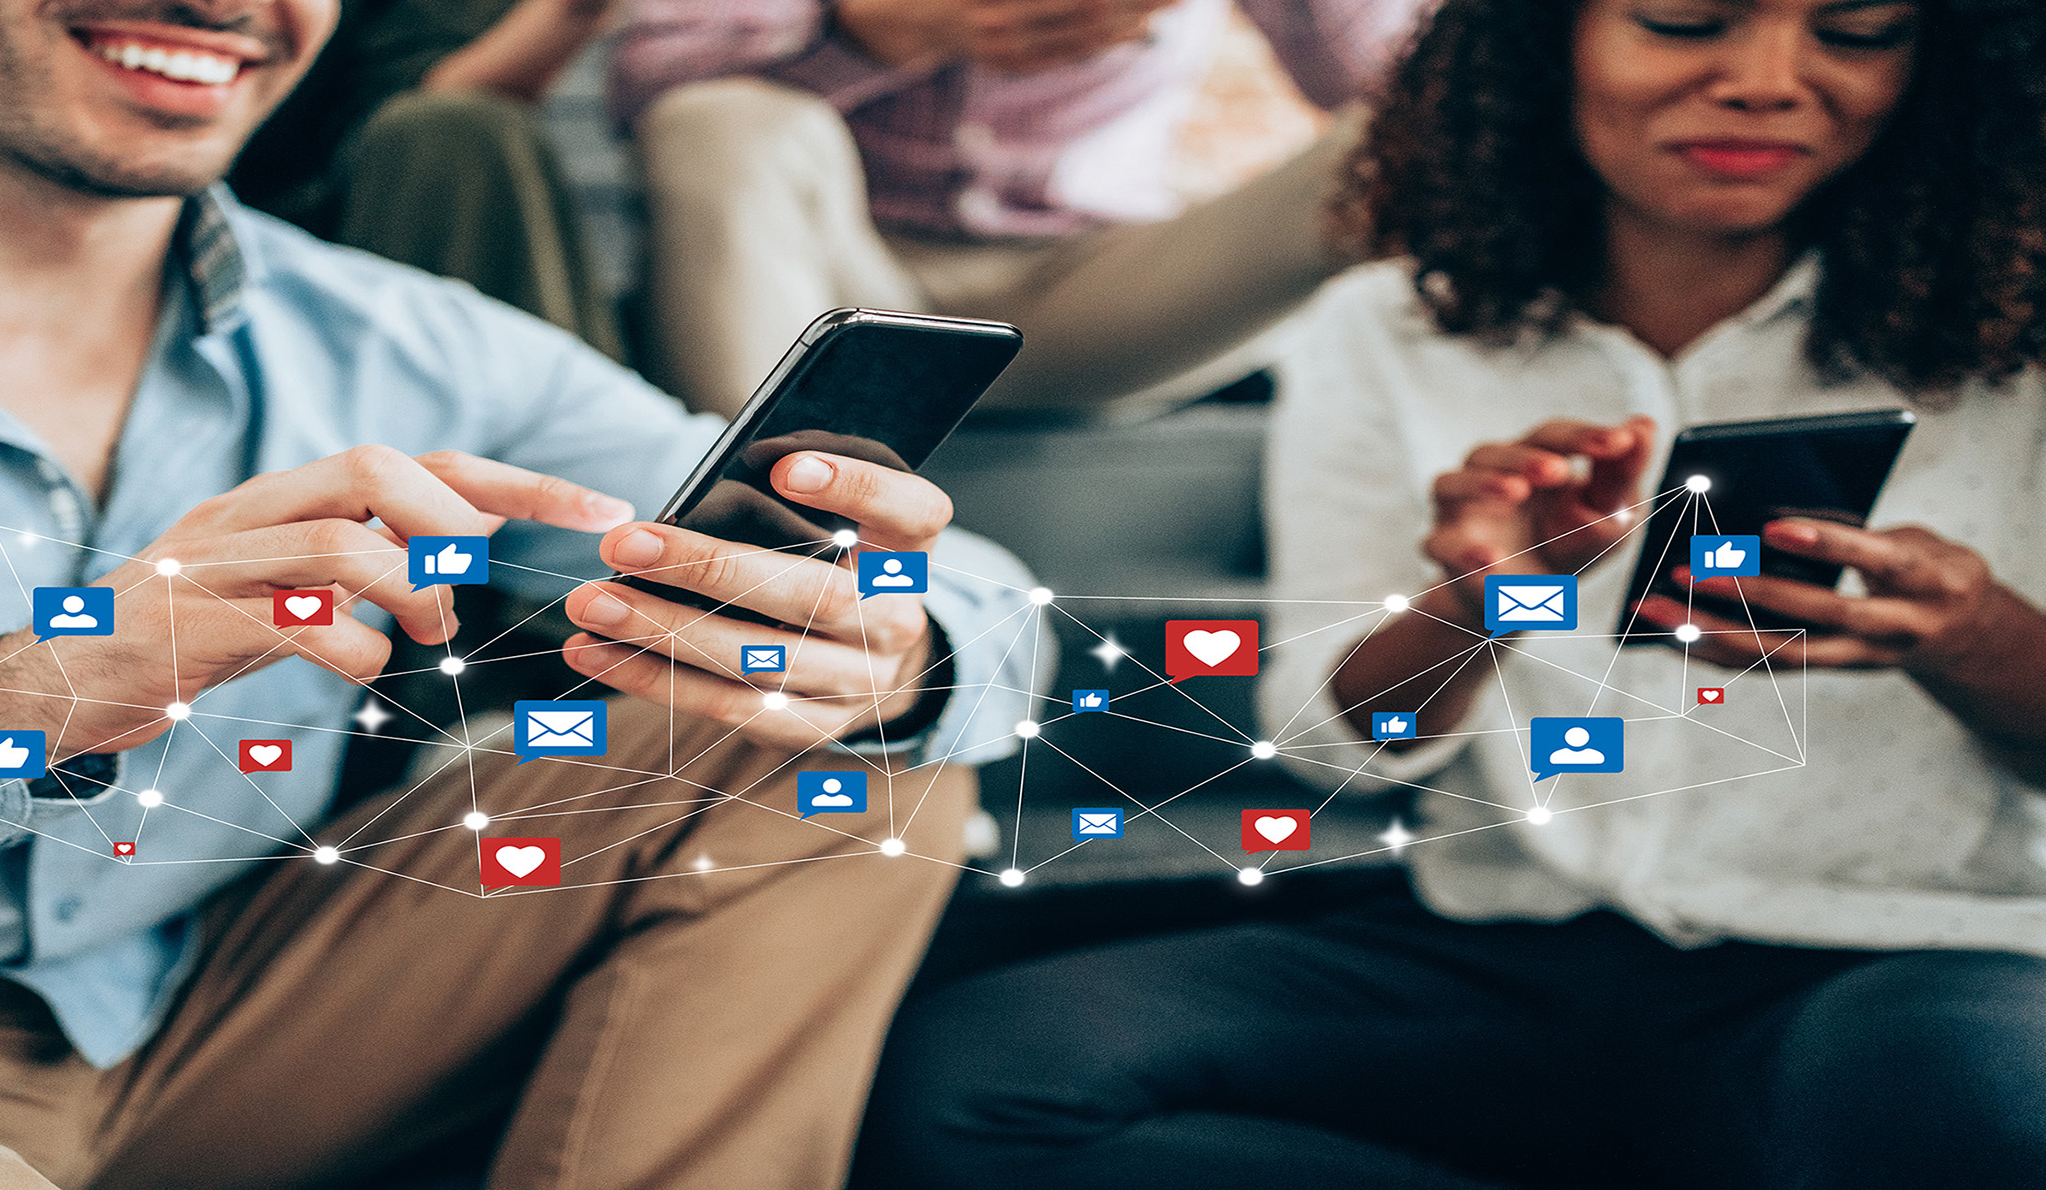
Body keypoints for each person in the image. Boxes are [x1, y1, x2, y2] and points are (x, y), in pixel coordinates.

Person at [0, 1, 1045, 1186]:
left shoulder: (399, 336)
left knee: (863, 759)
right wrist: (28, 696)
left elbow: (979, 608)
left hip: (199, 1029)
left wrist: (892, 644)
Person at [860, 0, 2046, 1186]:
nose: (1770, 79)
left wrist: (1975, 637)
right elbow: (1344, 752)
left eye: (1858, 31)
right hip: (1518, 952)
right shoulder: (1395, 322)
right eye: (1685, 21)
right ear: (1542, 39)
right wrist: (1481, 605)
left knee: (1968, 1113)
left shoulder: (2020, 336)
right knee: (979, 1084)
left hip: (1902, 959)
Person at [611, 0, 1427, 416]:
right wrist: (874, 26)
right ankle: (751, 535)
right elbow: (645, 84)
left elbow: (1422, 88)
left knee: (1400, 144)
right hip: (826, 270)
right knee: (715, 121)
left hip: (1101, 290)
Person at [229, 0, 629, 357]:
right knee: (450, 131)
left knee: (458, 131)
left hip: (373, 183)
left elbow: (431, 89)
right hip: (284, 183)